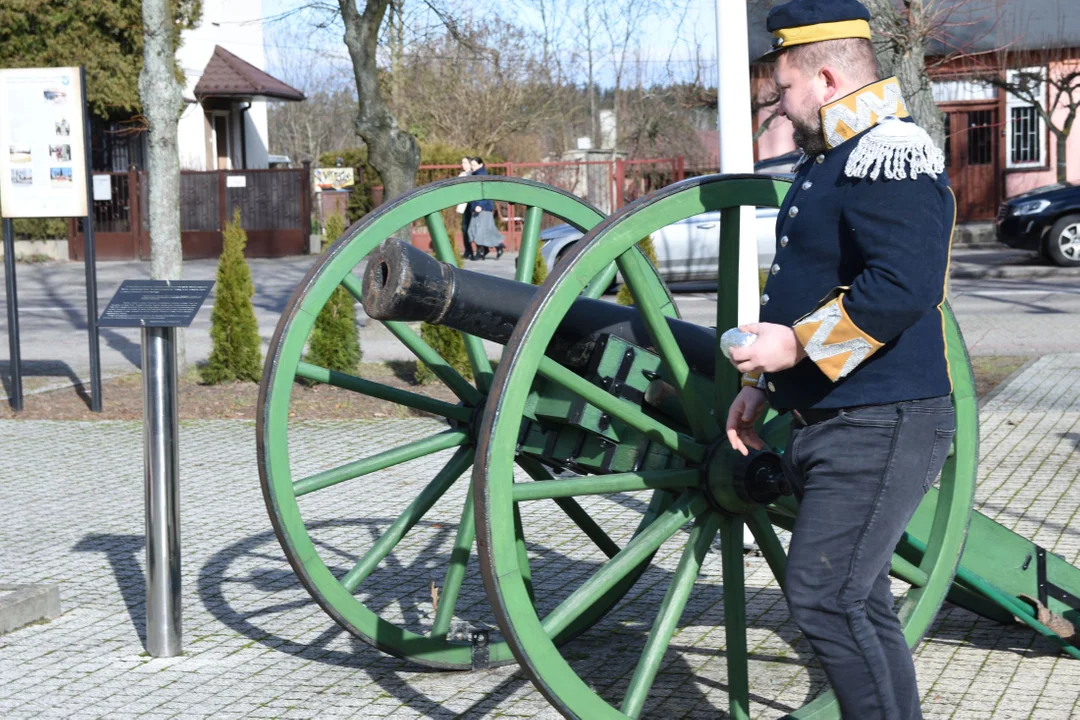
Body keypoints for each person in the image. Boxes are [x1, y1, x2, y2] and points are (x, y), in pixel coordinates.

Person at [723, 1, 955, 718]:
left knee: (828, 595)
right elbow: (818, 284)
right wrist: (767, 381)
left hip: (884, 416)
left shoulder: (889, 151)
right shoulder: (838, 159)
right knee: (854, 598)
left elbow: (903, 285)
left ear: (824, 77)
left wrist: (794, 345)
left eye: (785, 90)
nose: (782, 111)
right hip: (844, 413)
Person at [466, 157, 506, 259]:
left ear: (480, 165)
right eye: (472, 165)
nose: (472, 167)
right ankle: (496, 247)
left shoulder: (482, 175)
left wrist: (480, 205)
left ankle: (481, 252)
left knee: (479, 230)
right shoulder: (474, 175)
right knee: (478, 230)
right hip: (476, 208)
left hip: (482, 208)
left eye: (474, 165)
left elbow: (485, 192)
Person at [456, 157, 476, 260]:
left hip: (472, 206)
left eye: (464, 162)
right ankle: (468, 251)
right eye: (462, 162)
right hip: (465, 206)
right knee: (464, 228)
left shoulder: (473, 174)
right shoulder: (462, 175)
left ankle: (475, 251)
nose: (462, 164)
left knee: (472, 228)